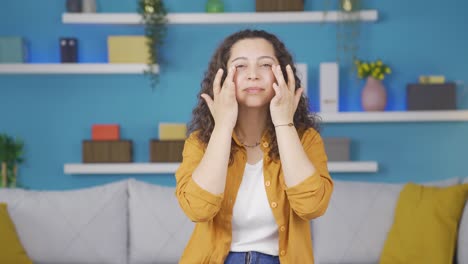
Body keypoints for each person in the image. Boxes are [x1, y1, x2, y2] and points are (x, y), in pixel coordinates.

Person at [175, 29, 334, 264]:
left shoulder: (306, 140)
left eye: (265, 65)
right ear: (221, 78)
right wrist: (223, 126)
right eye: (240, 66)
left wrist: (283, 122)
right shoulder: (200, 143)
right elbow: (198, 210)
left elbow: (311, 207)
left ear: (283, 76)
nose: (252, 75)